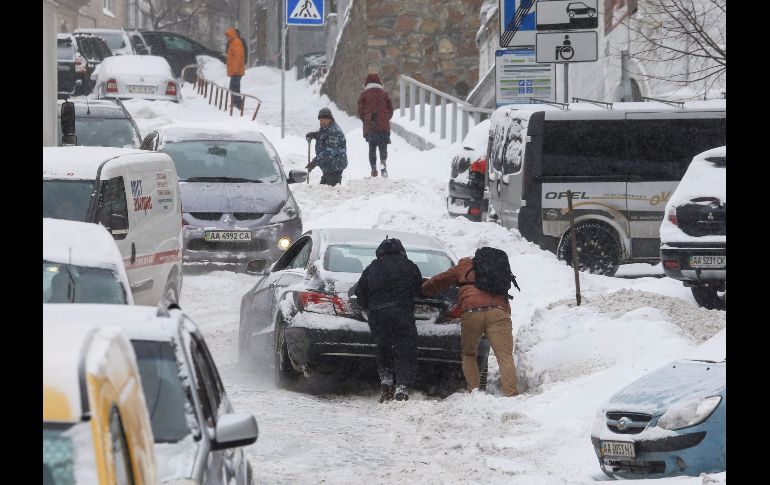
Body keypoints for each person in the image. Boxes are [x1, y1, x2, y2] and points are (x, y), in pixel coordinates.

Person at [421, 252, 519, 397]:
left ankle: (475, 393)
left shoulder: (464, 265)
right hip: (499, 312)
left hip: (472, 312)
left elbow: (441, 280)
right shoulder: (496, 268)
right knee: (505, 356)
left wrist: (424, 289)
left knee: (469, 354)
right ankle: (511, 394)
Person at [354, 237, 423, 402]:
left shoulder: (372, 267)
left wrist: (368, 306)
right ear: (402, 251)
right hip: (402, 313)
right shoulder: (410, 266)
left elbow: (359, 291)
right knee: (405, 348)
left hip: (378, 315)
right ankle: (402, 386)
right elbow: (419, 288)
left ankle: (386, 382)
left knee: (383, 346)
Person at [357, 73, 394, 178]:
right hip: (383, 126)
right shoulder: (384, 94)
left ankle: (373, 169)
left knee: (372, 147)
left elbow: (360, 111)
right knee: (383, 147)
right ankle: (383, 164)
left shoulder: (364, 95)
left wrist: (366, 119)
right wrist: (385, 118)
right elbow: (390, 109)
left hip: (371, 125)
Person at [305, 108, 348, 186]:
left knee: (330, 191)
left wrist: (315, 161)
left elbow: (329, 152)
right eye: (320, 120)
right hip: (329, 167)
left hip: (335, 166)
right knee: (323, 189)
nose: (322, 122)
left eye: (324, 120)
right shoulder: (327, 128)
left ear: (329, 119)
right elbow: (324, 135)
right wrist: (315, 135)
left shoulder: (334, 131)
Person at [225, 27, 245, 110]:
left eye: (228, 36)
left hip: (236, 70)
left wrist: (235, 69)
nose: (227, 38)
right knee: (234, 87)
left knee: (234, 87)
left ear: (232, 35)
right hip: (235, 70)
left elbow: (238, 57)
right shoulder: (233, 42)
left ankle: (239, 104)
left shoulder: (236, 42)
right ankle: (236, 103)